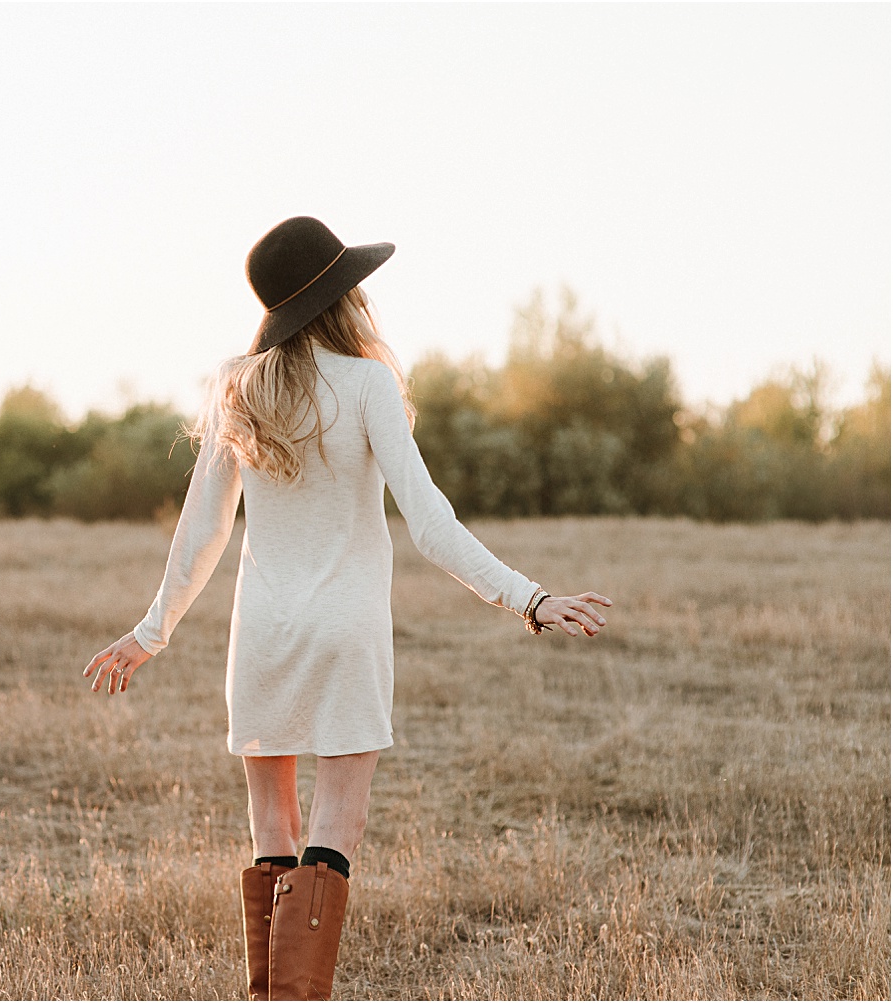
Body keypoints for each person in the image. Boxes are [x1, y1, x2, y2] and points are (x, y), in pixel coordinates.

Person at [82, 216, 613, 1001]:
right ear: (338, 297)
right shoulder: (368, 384)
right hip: (346, 631)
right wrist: (529, 599)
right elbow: (430, 520)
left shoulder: (240, 388)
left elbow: (201, 532)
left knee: (273, 828)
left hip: (261, 633)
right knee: (337, 828)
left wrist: (150, 632)